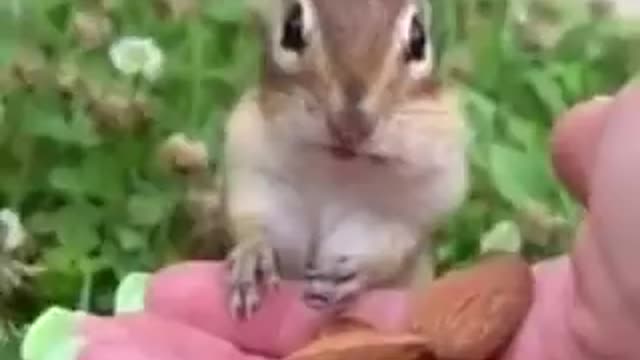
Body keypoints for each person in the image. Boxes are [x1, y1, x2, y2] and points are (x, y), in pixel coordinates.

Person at [22, 85, 640, 360]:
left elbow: (422, 214)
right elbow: (251, 187)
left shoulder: (425, 128)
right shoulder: (263, 129)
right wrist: (254, 239)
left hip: (386, 307)